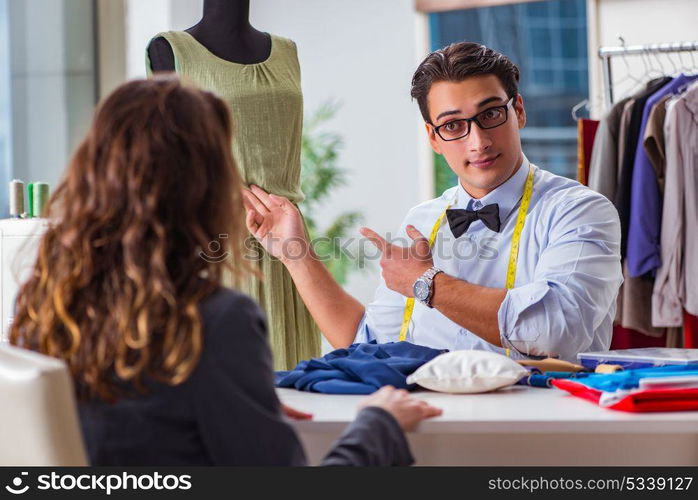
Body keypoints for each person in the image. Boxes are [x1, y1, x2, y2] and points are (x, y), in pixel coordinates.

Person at [8, 75, 441, 466]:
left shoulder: (46, 304)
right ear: (206, 186)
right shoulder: (215, 320)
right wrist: (378, 424)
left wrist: (243, 401)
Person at [243, 42, 623, 363]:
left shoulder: (580, 211)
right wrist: (295, 253)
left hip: (542, 436)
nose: (478, 142)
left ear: (518, 111)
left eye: (490, 114)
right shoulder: (423, 221)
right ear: (433, 137)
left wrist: (428, 283)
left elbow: (555, 333)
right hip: (436, 435)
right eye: (453, 125)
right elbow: (368, 345)